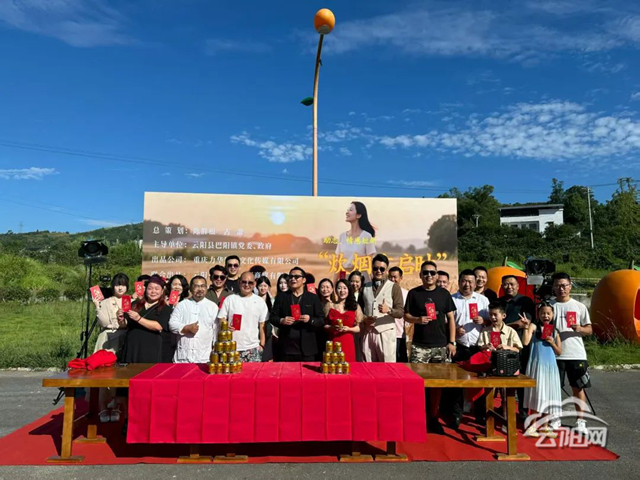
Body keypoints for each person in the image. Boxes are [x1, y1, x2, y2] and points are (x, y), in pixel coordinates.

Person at [404, 260, 457, 433]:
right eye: (425, 273)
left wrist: (452, 342)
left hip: (440, 346)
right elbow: (406, 316)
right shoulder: (414, 293)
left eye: (432, 273)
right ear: (420, 275)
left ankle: (433, 417)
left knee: (437, 385)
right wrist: (417, 320)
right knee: (416, 383)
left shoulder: (444, 294)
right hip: (420, 346)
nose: (429, 275)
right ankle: (416, 417)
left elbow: (451, 319)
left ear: (436, 275)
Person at [444, 269, 491, 428]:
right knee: (456, 384)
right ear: (459, 282)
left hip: (478, 347)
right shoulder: (452, 299)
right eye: (464, 281)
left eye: (470, 281)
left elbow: (492, 321)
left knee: (480, 383)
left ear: (475, 283)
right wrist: (455, 332)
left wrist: (483, 321)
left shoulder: (483, 300)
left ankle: (480, 415)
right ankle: (456, 416)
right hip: (459, 346)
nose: (467, 284)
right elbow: (445, 323)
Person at [549, 272, 592, 436]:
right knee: (554, 388)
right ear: (553, 287)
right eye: (557, 285)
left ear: (570, 286)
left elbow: (590, 330)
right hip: (553, 353)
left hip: (576, 353)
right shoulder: (549, 306)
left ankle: (581, 421)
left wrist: (579, 328)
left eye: (564, 285)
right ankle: (555, 418)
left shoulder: (579, 306)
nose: (561, 289)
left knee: (578, 387)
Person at [521, 301, 562, 438]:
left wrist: (552, 342)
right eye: (543, 313)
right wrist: (526, 327)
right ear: (538, 314)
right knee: (537, 394)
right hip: (537, 366)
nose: (546, 316)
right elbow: (525, 342)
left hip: (551, 367)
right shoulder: (534, 326)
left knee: (549, 395)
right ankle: (532, 426)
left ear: (553, 315)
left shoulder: (555, 330)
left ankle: (545, 426)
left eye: (548, 313)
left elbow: (559, 352)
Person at [93, 273, 129, 423]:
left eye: (123, 284)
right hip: (108, 338)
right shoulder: (106, 301)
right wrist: (97, 306)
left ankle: (116, 405)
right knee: (104, 373)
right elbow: (103, 322)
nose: (120, 288)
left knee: (120, 374)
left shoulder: (130, 301)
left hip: (124, 337)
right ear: (113, 286)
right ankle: (102, 405)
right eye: (117, 284)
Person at [499, 274, 535, 421]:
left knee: (521, 378)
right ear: (502, 286)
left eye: (512, 284)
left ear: (518, 286)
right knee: (503, 378)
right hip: (502, 346)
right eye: (506, 284)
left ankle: (523, 410)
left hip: (520, 345)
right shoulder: (498, 302)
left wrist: (503, 326)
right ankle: (504, 409)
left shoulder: (525, 301)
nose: (509, 287)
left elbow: (523, 323)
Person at [269, 267, 324, 361]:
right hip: (286, 348)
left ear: (304, 280)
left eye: (296, 277)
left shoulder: (313, 298)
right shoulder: (282, 296)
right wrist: (282, 320)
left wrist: (310, 320)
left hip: (307, 349)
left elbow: (321, 320)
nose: (293, 279)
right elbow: (273, 317)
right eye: (291, 277)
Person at [361, 254, 405, 363]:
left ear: (386, 270)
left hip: (386, 333)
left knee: (387, 366)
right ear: (372, 269)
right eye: (376, 268)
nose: (378, 271)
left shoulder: (394, 287)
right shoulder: (365, 287)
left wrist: (389, 310)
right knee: (367, 365)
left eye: (382, 269)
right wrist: (364, 318)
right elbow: (359, 310)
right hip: (368, 332)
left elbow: (400, 312)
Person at [121, 275, 172, 363]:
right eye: (150, 288)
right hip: (132, 345)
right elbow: (124, 324)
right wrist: (120, 318)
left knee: (148, 369)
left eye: (157, 289)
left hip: (150, 346)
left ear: (162, 291)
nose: (153, 291)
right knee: (129, 370)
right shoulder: (135, 304)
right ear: (145, 289)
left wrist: (139, 319)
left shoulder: (165, 308)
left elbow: (158, 326)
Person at [218, 272, 268, 363]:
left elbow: (262, 325)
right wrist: (225, 325)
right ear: (239, 282)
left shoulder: (260, 302)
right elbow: (221, 318)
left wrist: (262, 345)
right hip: (231, 347)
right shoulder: (230, 299)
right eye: (244, 282)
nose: (247, 285)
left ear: (254, 284)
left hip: (253, 348)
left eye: (250, 282)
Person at [168, 276, 219, 363]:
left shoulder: (212, 306)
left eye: (203, 286)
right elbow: (172, 324)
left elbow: (216, 330)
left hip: (204, 358)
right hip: (182, 358)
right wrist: (186, 328)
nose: (200, 289)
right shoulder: (182, 305)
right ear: (191, 289)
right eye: (196, 286)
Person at [323, 279, 363, 362]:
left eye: (345, 288)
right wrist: (332, 328)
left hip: (348, 341)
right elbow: (324, 325)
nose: (342, 291)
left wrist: (348, 329)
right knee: (333, 366)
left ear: (349, 290)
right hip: (333, 341)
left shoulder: (355, 306)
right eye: (339, 288)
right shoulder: (330, 305)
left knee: (347, 366)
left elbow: (358, 328)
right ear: (335, 290)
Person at [336, 201, 376, 271]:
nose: (347, 212)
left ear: (358, 215)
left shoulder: (367, 236)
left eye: (350, 210)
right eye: (347, 210)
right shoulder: (342, 236)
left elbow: (369, 263)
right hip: (344, 275)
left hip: (360, 275)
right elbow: (338, 264)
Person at [162, 274, 189, 362]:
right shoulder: (163, 301)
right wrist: (166, 307)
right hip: (166, 339)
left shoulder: (187, 302)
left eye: (180, 285)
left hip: (181, 339)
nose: (177, 287)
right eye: (174, 284)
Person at [388, 266, 409, 363]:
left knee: (400, 363)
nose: (392, 279)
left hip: (399, 334)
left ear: (401, 278)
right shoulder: (384, 293)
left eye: (395, 277)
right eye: (390, 277)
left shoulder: (406, 294)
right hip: (386, 334)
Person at [348, 270, 366, 361]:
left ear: (361, 283)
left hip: (363, 328)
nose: (354, 284)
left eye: (357, 281)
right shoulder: (345, 294)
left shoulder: (365, 295)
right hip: (350, 327)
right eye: (352, 281)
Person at [256, 276, 275, 361]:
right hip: (256, 332)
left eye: (265, 286)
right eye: (260, 286)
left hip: (269, 333)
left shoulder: (272, 301)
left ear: (269, 287)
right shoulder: (254, 300)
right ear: (257, 287)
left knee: (267, 358)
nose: (263, 288)